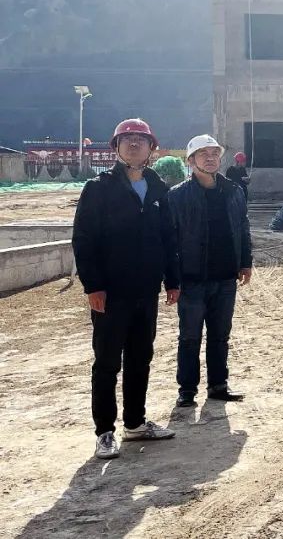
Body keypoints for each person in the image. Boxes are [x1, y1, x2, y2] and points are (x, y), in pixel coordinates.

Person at [72, 118, 180, 460]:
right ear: (116, 147)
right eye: (127, 139)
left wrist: (172, 280)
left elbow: (169, 239)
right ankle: (105, 431)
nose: (134, 144)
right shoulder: (99, 188)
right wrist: (93, 286)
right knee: (107, 362)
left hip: (146, 291)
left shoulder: (158, 189)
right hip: (111, 292)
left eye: (141, 140)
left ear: (151, 149)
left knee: (140, 358)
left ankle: (135, 423)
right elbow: (84, 240)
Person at [168, 134, 253, 408]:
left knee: (220, 336)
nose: (210, 158)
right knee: (189, 337)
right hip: (192, 279)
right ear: (191, 161)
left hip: (225, 278)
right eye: (203, 154)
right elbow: (169, 239)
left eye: (214, 153)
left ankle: (218, 385)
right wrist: (171, 278)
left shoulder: (233, 191)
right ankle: (187, 390)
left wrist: (245, 261)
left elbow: (242, 227)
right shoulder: (178, 196)